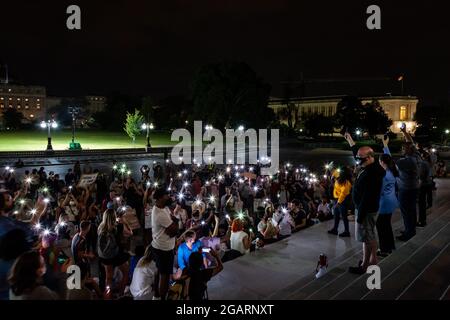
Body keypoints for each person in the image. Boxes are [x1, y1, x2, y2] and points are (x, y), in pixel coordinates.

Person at [344, 133, 385, 274]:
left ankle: (365, 266)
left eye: (360, 159)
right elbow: (357, 152)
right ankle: (372, 260)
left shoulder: (372, 174)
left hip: (366, 210)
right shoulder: (370, 165)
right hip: (368, 209)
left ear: (369, 157)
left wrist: (359, 217)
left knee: (366, 238)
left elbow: (367, 198)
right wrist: (349, 138)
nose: (357, 162)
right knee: (370, 235)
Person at [151, 188, 178, 300]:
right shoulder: (159, 214)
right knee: (165, 275)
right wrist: (175, 222)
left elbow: (172, 228)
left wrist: (173, 225)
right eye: (166, 195)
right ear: (160, 198)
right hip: (164, 249)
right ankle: (162, 297)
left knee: (160, 271)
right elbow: (174, 230)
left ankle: (156, 295)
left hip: (160, 246)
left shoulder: (163, 208)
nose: (169, 197)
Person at [97, 209, 130, 298]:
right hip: (115, 254)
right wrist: (125, 223)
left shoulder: (100, 227)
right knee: (126, 272)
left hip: (104, 256)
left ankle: (107, 296)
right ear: (114, 217)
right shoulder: (118, 227)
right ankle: (121, 294)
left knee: (108, 278)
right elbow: (129, 234)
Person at [395, 125, 421, 241]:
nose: (402, 149)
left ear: (407, 150)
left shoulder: (405, 162)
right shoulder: (416, 156)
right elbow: (411, 143)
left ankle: (408, 233)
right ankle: (410, 229)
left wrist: (385, 146)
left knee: (406, 211)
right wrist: (405, 132)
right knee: (412, 210)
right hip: (414, 187)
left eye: (403, 148)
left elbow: (387, 161)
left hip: (405, 190)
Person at [377, 138, 399, 257]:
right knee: (387, 225)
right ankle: (390, 246)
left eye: (379, 161)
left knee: (381, 227)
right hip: (392, 202)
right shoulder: (392, 169)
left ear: (381, 162)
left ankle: (384, 249)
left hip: (384, 203)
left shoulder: (384, 175)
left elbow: (379, 192)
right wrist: (385, 145)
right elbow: (388, 157)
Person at [328, 166, 352, 237]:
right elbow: (334, 173)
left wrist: (338, 203)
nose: (339, 172)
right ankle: (335, 229)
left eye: (340, 172)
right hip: (337, 199)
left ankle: (347, 231)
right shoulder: (340, 178)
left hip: (343, 200)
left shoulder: (346, 183)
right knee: (336, 215)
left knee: (344, 216)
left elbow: (343, 194)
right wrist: (330, 169)